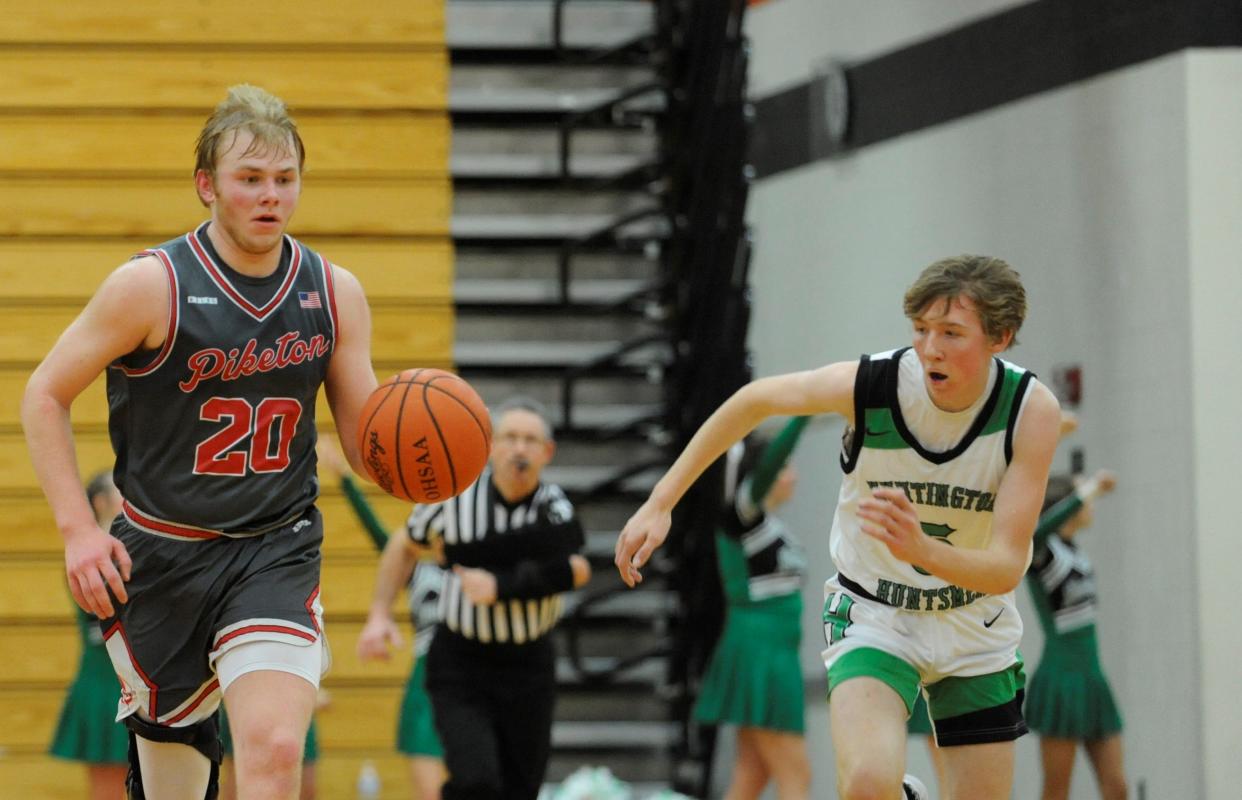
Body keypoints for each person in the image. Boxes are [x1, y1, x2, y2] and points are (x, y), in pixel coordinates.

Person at [22, 84, 379, 799]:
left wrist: (418, 457)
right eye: (250, 179)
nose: (270, 195)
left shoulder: (332, 291)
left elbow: (371, 446)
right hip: (162, 556)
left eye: (285, 179)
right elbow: (44, 394)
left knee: (276, 748)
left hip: (273, 547)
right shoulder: (150, 286)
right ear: (207, 186)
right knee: (176, 787)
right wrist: (77, 531)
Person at [615, 255, 1062, 800]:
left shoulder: (1030, 411)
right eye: (921, 330)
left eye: (952, 333)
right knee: (868, 783)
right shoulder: (874, 383)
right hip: (875, 611)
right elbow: (753, 401)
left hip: (973, 619)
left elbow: (1006, 567)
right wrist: (662, 501)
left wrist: (922, 547)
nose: (930, 349)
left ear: (1001, 337)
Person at [357, 397, 592, 800]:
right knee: (475, 780)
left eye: (531, 440)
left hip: (530, 664)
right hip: (461, 662)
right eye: (511, 438)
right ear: (491, 446)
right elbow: (403, 545)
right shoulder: (453, 498)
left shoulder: (553, 505)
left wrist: (497, 583)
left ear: (547, 452)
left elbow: (576, 569)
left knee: (521, 789)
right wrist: (380, 613)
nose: (520, 449)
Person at [318, 440, 447, 799]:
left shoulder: (486, 569)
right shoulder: (417, 570)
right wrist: (345, 481)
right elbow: (380, 534)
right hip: (427, 675)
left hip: (475, 673)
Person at [692, 417, 812, 800]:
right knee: (797, 774)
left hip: (776, 651)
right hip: (760, 652)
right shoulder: (741, 514)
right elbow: (774, 457)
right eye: (785, 468)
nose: (792, 476)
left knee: (752, 775)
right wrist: (806, 412)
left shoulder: (768, 524)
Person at [1025, 468, 1126, 800]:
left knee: (1117, 787)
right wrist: (1089, 489)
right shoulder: (1040, 550)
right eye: (1083, 500)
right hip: (1062, 679)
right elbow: (1038, 530)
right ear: (1067, 503)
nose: (1091, 505)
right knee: (1057, 791)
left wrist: (1086, 491)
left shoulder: (1074, 550)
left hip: (1092, 676)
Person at [48, 471, 128, 800]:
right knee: (109, 791)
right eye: (123, 491)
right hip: (104, 685)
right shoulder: (86, 558)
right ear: (101, 502)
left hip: (152, 683)